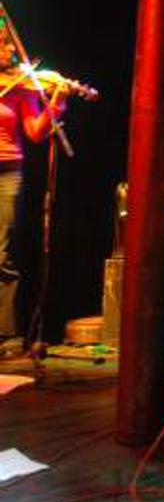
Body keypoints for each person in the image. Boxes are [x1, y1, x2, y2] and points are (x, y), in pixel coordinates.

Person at [0, 22, 71, 352]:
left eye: (11, 44)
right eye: (3, 44)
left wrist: (56, 104)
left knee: (0, 254)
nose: (11, 50)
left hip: (7, 172)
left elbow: (35, 132)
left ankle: (6, 335)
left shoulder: (21, 86)